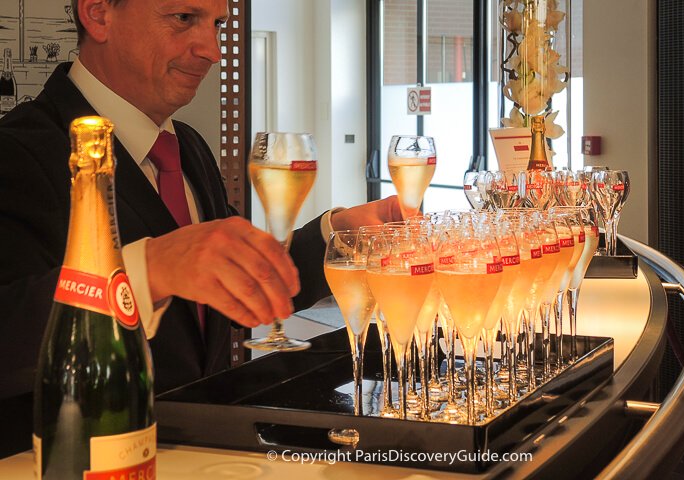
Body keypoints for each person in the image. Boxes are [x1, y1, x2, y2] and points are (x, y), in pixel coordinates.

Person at [0, 0, 402, 408]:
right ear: (99, 13)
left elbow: (236, 281)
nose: (212, 50)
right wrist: (149, 269)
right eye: (184, 19)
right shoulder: (16, 151)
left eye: (217, 24)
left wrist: (337, 235)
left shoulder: (187, 146)